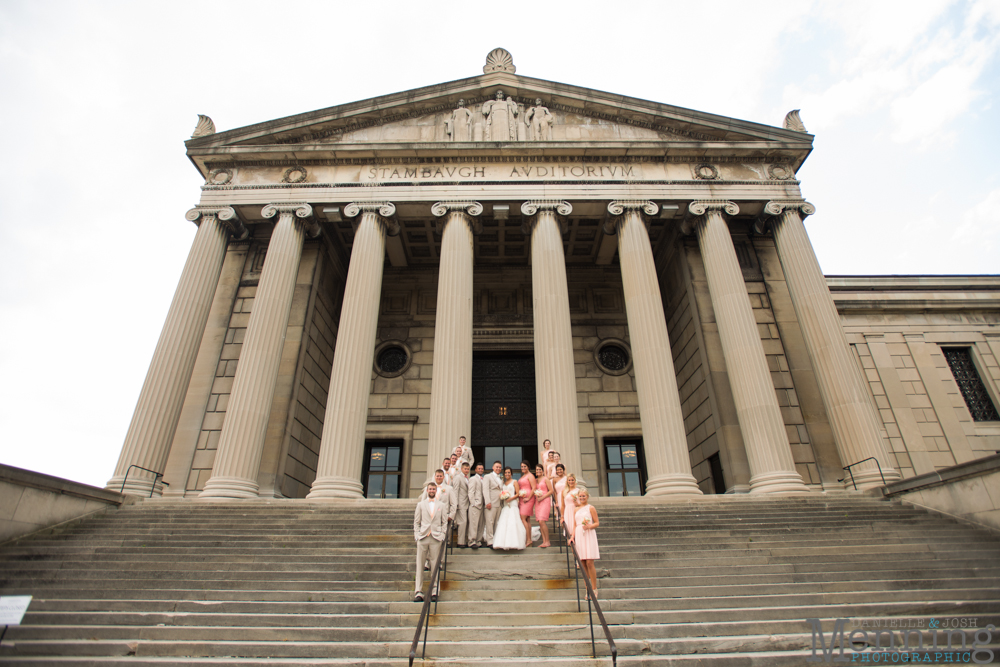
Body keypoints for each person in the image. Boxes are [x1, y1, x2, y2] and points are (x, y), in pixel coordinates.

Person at [413, 482, 447, 602]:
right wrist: (417, 535)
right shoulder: (420, 505)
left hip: (436, 538)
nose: (432, 490)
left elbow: (444, 522)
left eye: (433, 489)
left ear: (436, 490)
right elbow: (416, 522)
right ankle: (418, 591)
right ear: (427, 491)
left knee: (435, 566)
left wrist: (442, 535)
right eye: (430, 489)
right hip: (423, 537)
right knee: (420, 565)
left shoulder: (441, 505)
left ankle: (434, 591)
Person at [568, 489, 600, 598]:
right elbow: (574, 525)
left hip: (588, 534)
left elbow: (597, 523)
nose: (582, 498)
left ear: (587, 496)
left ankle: (594, 588)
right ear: (578, 497)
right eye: (580, 496)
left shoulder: (591, 508)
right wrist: (572, 537)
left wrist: (589, 526)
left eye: (583, 496)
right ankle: (588, 589)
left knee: (590, 562)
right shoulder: (576, 509)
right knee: (582, 563)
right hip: (579, 535)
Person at [492, 467, 525, 550]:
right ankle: (502, 542)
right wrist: (503, 497)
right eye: (506, 472)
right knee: (504, 523)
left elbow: (517, 493)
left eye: (509, 472)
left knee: (512, 522)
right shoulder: (503, 483)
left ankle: (514, 542)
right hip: (505, 505)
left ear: (511, 473)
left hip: (512, 503)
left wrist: (510, 498)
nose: (507, 474)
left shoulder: (514, 482)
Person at [482, 461, 504, 548]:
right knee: (489, 522)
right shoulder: (487, 477)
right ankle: (489, 541)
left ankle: (495, 540)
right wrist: (487, 501)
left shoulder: (501, 478)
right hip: (491, 503)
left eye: (499, 467)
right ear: (493, 467)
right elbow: (485, 490)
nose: (498, 468)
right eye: (497, 467)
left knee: (496, 523)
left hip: (499, 503)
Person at [517, 461, 536, 547]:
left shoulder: (530, 475)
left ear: (528, 467)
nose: (523, 468)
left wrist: (529, 497)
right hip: (522, 498)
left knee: (523, 518)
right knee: (527, 519)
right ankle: (529, 539)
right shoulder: (523, 476)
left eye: (525, 466)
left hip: (528, 498)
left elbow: (534, 488)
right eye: (522, 466)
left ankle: (528, 539)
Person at [533, 464, 552, 548]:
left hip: (545, 500)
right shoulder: (535, 480)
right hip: (538, 502)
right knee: (540, 522)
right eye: (537, 470)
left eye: (540, 469)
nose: (538, 471)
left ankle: (547, 541)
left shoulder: (546, 479)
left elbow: (551, 491)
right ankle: (544, 541)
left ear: (542, 471)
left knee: (542, 521)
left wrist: (543, 497)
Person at [467, 462, 485, 548]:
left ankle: (478, 541)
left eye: (482, 469)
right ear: (476, 470)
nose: (481, 470)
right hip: (476, 505)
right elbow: (471, 492)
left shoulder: (484, 479)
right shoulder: (473, 479)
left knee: (481, 524)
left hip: (483, 505)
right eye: (479, 469)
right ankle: (472, 541)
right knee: (473, 524)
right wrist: (473, 503)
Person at [453, 462, 471, 547]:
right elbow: (455, 490)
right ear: (461, 468)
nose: (467, 470)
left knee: (466, 523)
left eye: (468, 469)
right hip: (460, 503)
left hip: (467, 503)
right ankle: (460, 542)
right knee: (462, 522)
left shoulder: (468, 478)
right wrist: (455, 504)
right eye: (465, 469)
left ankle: (464, 540)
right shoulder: (458, 478)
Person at [560, 474, 580, 546]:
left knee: (575, 529)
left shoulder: (578, 491)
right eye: (569, 480)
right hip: (567, 511)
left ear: (575, 481)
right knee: (568, 529)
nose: (571, 482)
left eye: (572, 480)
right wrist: (562, 516)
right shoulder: (564, 491)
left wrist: (576, 502)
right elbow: (563, 505)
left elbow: (582, 504)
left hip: (575, 510)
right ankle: (571, 546)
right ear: (567, 481)